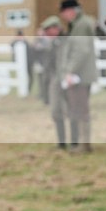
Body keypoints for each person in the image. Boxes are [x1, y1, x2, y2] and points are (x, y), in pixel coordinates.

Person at [58, 0, 97, 152]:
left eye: (64, 14)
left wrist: (70, 71)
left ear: (70, 11)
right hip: (83, 73)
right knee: (81, 109)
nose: (64, 18)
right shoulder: (82, 23)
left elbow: (81, 50)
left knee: (81, 109)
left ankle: (84, 144)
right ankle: (84, 142)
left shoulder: (80, 25)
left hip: (79, 75)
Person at [39, 16, 68, 148]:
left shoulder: (67, 41)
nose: (46, 34)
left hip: (68, 81)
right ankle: (61, 142)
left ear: (56, 29)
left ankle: (76, 141)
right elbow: (48, 67)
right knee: (56, 112)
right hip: (55, 81)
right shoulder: (51, 44)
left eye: (48, 30)